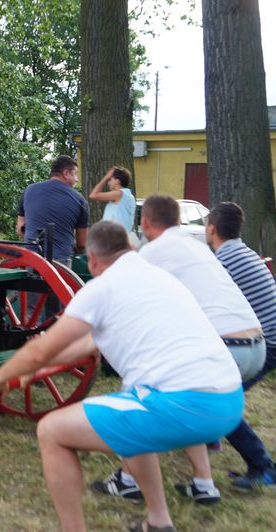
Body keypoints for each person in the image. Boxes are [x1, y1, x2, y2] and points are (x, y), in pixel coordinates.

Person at [0, 221, 243, 532]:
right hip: (229, 400)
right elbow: (89, 343)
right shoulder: (157, 277)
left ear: (91, 259)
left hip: (184, 404)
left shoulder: (102, 288)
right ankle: (159, 522)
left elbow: (42, 350)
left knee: (51, 430)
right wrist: (32, 370)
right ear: (130, 249)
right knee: (127, 414)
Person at [92, 194, 264, 505]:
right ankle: (203, 484)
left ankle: (128, 480)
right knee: (188, 396)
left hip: (225, 345)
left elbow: (118, 291)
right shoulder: (197, 247)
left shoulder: (153, 251)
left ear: (145, 222)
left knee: (143, 393)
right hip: (257, 346)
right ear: (178, 221)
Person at [206, 201, 276, 490]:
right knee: (220, 396)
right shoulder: (242, 252)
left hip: (268, 343)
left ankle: (263, 468)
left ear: (211, 229)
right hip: (269, 336)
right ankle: (210, 436)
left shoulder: (224, 261)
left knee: (220, 404)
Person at [16, 155, 89, 267]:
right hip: (60, 263)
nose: (76, 179)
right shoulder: (79, 200)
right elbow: (82, 245)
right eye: (75, 174)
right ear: (66, 173)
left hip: (31, 259)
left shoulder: (29, 190)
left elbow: (20, 230)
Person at [88, 165, 136, 236]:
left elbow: (93, 195)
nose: (108, 182)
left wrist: (105, 178)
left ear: (117, 181)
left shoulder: (119, 194)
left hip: (115, 240)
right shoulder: (127, 195)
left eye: (110, 179)